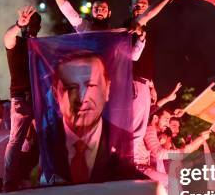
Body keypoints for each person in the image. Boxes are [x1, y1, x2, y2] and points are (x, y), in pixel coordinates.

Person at [46, 51, 143, 184]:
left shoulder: (123, 140)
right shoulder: (42, 141)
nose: (82, 98)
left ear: (107, 89)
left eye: (91, 86)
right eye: (70, 88)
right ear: (55, 93)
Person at [122, 0, 182, 165]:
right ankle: (129, 163)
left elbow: (146, 63)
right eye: (136, 4)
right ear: (130, 8)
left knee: (139, 127)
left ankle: (133, 162)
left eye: (143, 4)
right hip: (131, 83)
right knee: (133, 127)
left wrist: (151, 84)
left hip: (143, 84)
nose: (140, 7)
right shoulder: (131, 26)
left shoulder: (146, 30)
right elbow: (133, 59)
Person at [2, 6, 41, 191]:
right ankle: (9, 182)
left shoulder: (42, 46)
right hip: (20, 97)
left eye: (35, 24)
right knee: (16, 141)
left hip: (39, 98)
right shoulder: (16, 42)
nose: (31, 27)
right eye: (29, 23)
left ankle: (43, 177)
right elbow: (7, 38)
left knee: (46, 138)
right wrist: (18, 24)